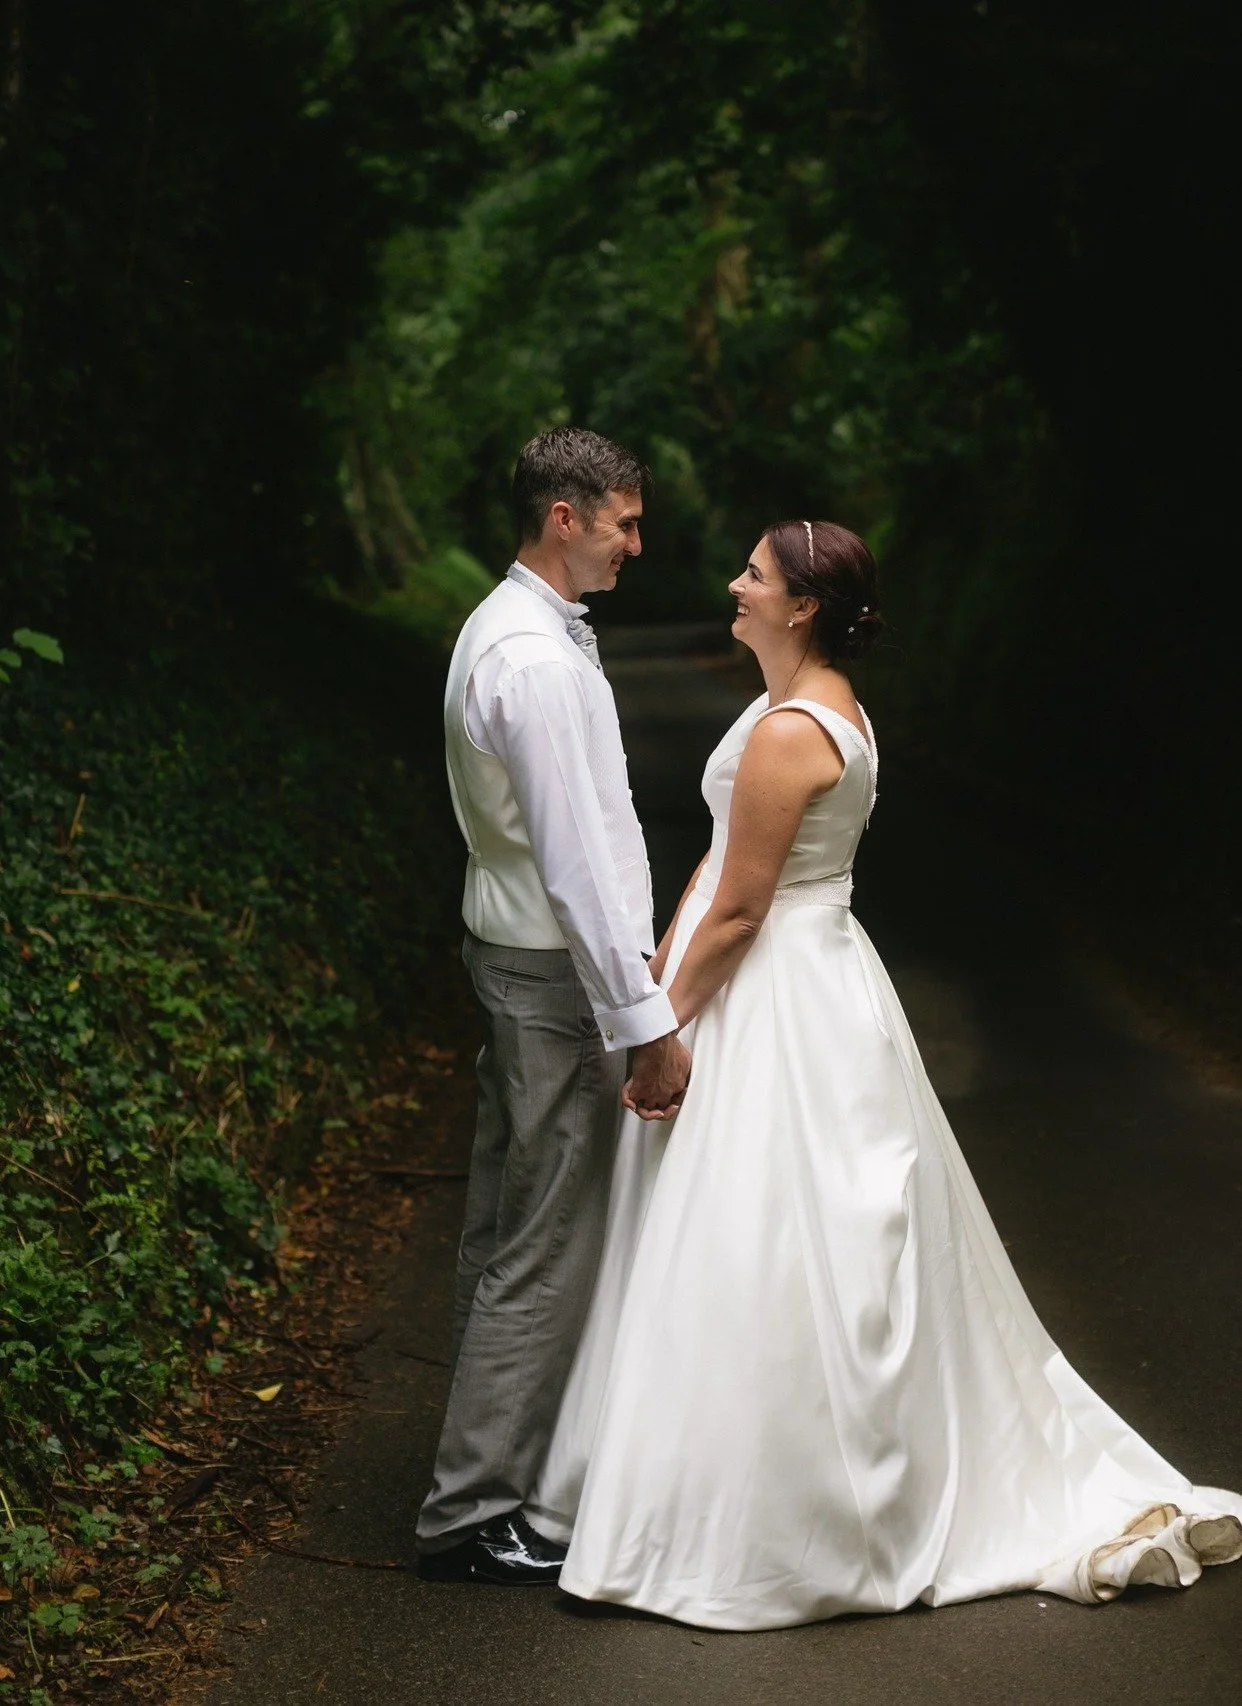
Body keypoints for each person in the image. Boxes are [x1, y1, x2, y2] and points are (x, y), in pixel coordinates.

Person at [525, 518, 1242, 1629]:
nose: (734, 584)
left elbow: (740, 907)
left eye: (755, 575)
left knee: (772, 1236)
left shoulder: (791, 731)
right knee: (750, 1233)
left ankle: (794, 1510)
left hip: (777, 995)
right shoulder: (809, 709)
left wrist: (660, 1023)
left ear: (803, 605)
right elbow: (714, 872)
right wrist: (651, 971)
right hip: (798, 975)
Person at [415, 427, 691, 1584]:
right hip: (551, 976)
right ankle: (474, 1507)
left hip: (514, 957)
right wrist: (645, 1018)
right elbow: (575, 862)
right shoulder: (526, 660)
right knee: (543, 1241)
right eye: (624, 520)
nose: (639, 540)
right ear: (563, 519)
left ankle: (482, 1471)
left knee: (502, 1224)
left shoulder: (521, 631)